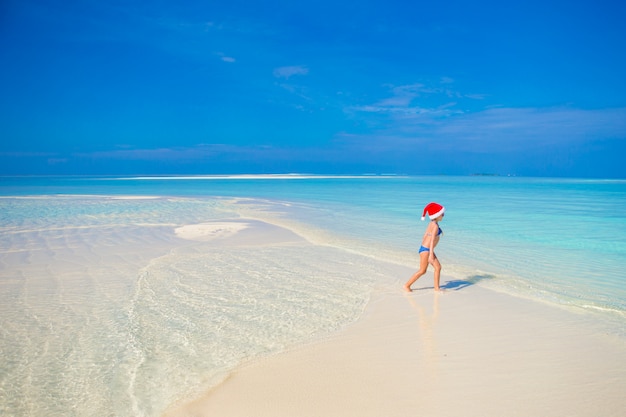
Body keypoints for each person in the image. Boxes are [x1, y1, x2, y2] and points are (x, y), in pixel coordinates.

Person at [404, 202, 445, 292]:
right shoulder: (435, 226)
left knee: (436, 268)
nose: (443, 215)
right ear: (436, 215)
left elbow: (425, 235)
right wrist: (430, 254)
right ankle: (406, 286)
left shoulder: (432, 223)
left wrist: (424, 247)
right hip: (427, 250)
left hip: (425, 249)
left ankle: (436, 288)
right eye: (442, 214)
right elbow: (431, 241)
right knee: (423, 270)